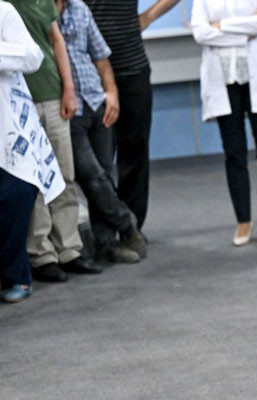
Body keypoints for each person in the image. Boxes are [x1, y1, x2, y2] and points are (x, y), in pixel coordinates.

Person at [191, 0, 257, 246]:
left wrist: (222, 26)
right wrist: (243, 34)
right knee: (234, 154)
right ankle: (243, 220)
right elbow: (200, 32)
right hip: (223, 79)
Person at [13, 0, 100, 282]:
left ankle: (69, 248)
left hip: (52, 95)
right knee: (34, 180)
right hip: (19, 102)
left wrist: (69, 89)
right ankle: (42, 254)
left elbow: (57, 41)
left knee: (63, 174)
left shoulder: (43, 2)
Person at [57, 0, 144, 264]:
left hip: (96, 100)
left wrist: (112, 93)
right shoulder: (40, 12)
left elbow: (101, 56)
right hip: (68, 109)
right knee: (91, 176)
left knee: (105, 174)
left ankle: (106, 244)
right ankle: (127, 223)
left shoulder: (80, 9)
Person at [86, 0, 179, 235]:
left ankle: (132, 229)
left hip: (132, 68)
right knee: (99, 161)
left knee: (134, 154)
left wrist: (148, 16)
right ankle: (105, 233)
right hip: (91, 76)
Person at [2, 0, 65, 302]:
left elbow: (33, 56)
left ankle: (17, 276)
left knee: (17, 194)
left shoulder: (4, 12)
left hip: (9, 132)